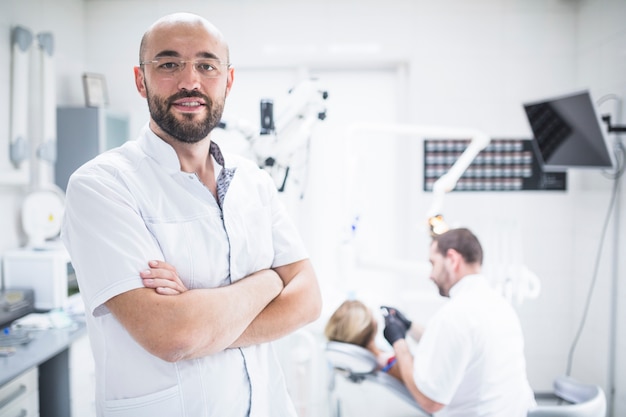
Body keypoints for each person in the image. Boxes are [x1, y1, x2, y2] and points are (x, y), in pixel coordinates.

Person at [61, 12, 321, 417]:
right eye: (168, 64)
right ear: (140, 79)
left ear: (228, 81)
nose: (189, 81)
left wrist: (205, 323)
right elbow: (173, 334)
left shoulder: (253, 182)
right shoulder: (102, 185)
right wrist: (270, 280)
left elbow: (308, 299)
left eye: (206, 65)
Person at [382, 228, 536, 416]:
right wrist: (409, 326)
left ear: (452, 259)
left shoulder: (455, 314)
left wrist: (399, 344)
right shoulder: (499, 305)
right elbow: (455, 347)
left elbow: (430, 401)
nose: (431, 275)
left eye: (433, 263)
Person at [324, 299, 423, 382]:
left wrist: (409, 325)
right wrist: (399, 341)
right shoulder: (393, 365)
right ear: (372, 326)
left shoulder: (351, 369)